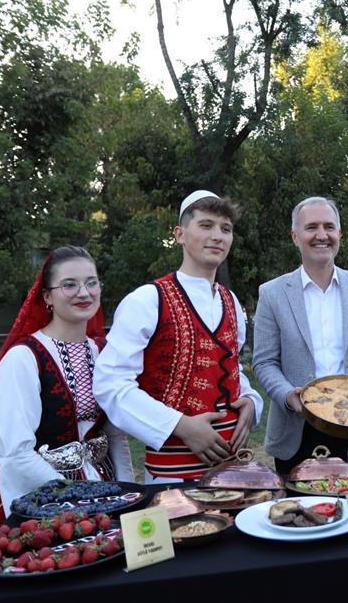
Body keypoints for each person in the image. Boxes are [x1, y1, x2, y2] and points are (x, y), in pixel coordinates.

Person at [94, 191, 263, 483]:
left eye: (226, 229)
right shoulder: (148, 300)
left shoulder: (231, 302)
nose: (217, 236)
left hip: (233, 470)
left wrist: (250, 400)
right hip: (172, 475)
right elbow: (110, 383)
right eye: (206, 225)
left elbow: (228, 369)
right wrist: (181, 426)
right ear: (180, 234)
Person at [0, 246, 134, 531]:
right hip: (46, 498)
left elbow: (115, 435)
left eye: (91, 282)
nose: (84, 293)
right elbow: (15, 451)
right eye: (69, 284)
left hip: (106, 488)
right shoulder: (24, 358)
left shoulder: (104, 353)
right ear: (47, 297)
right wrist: (77, 498)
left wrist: (130, 492)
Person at [253, 196, 348, 473]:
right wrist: (288, 395)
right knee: (297, 513)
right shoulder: (272, 293)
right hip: (296, 430)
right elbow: (264, 362)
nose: (321, 235)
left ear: (339, 233)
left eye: (329, 227)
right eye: (311, 227)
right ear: (295, 235)